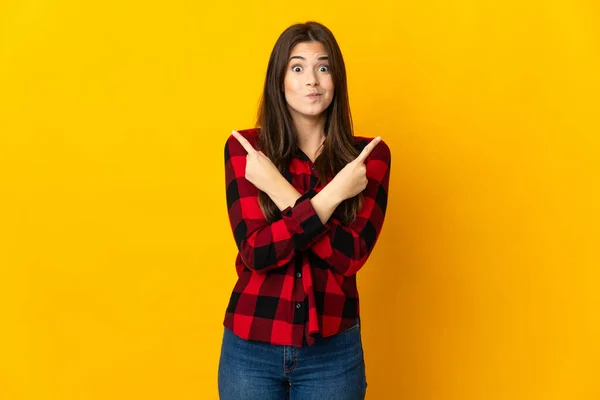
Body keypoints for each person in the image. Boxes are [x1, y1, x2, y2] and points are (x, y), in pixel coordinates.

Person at [218, 21, 391, 400]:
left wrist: (282, 195)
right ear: (279, 80)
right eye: (297, 68)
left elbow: (350, 257)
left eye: (323, 67)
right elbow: (257, 252)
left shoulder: (366, 159)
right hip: (250, 346)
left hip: (333, 352)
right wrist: (331, 198)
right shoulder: (247, 152)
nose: (311, 79)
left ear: (336, 79)